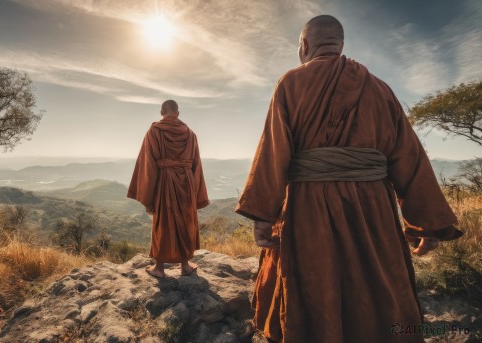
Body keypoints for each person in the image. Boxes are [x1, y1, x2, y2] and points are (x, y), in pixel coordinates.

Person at [235, 15, 463, 343]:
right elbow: (409, 159)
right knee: (377, 285)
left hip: (310, 207)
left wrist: (262, 216)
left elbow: (274, 153)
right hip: (373, 209)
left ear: (304, 46)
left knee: (315, 286)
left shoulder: (291, 83)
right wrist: (427, 225)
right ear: (340, 45)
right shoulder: (380, 89)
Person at [128, 99, 209, 278]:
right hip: (187, 182)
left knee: (163, 222)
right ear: (178, 113)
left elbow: (148, 164)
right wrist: (197, 193)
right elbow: (196, 164)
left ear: (161, 112)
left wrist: (148, 195)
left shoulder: (154, 131)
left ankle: (159, 268)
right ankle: (185, 266)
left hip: (164, 180)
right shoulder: (190, 133)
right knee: (186, 219)